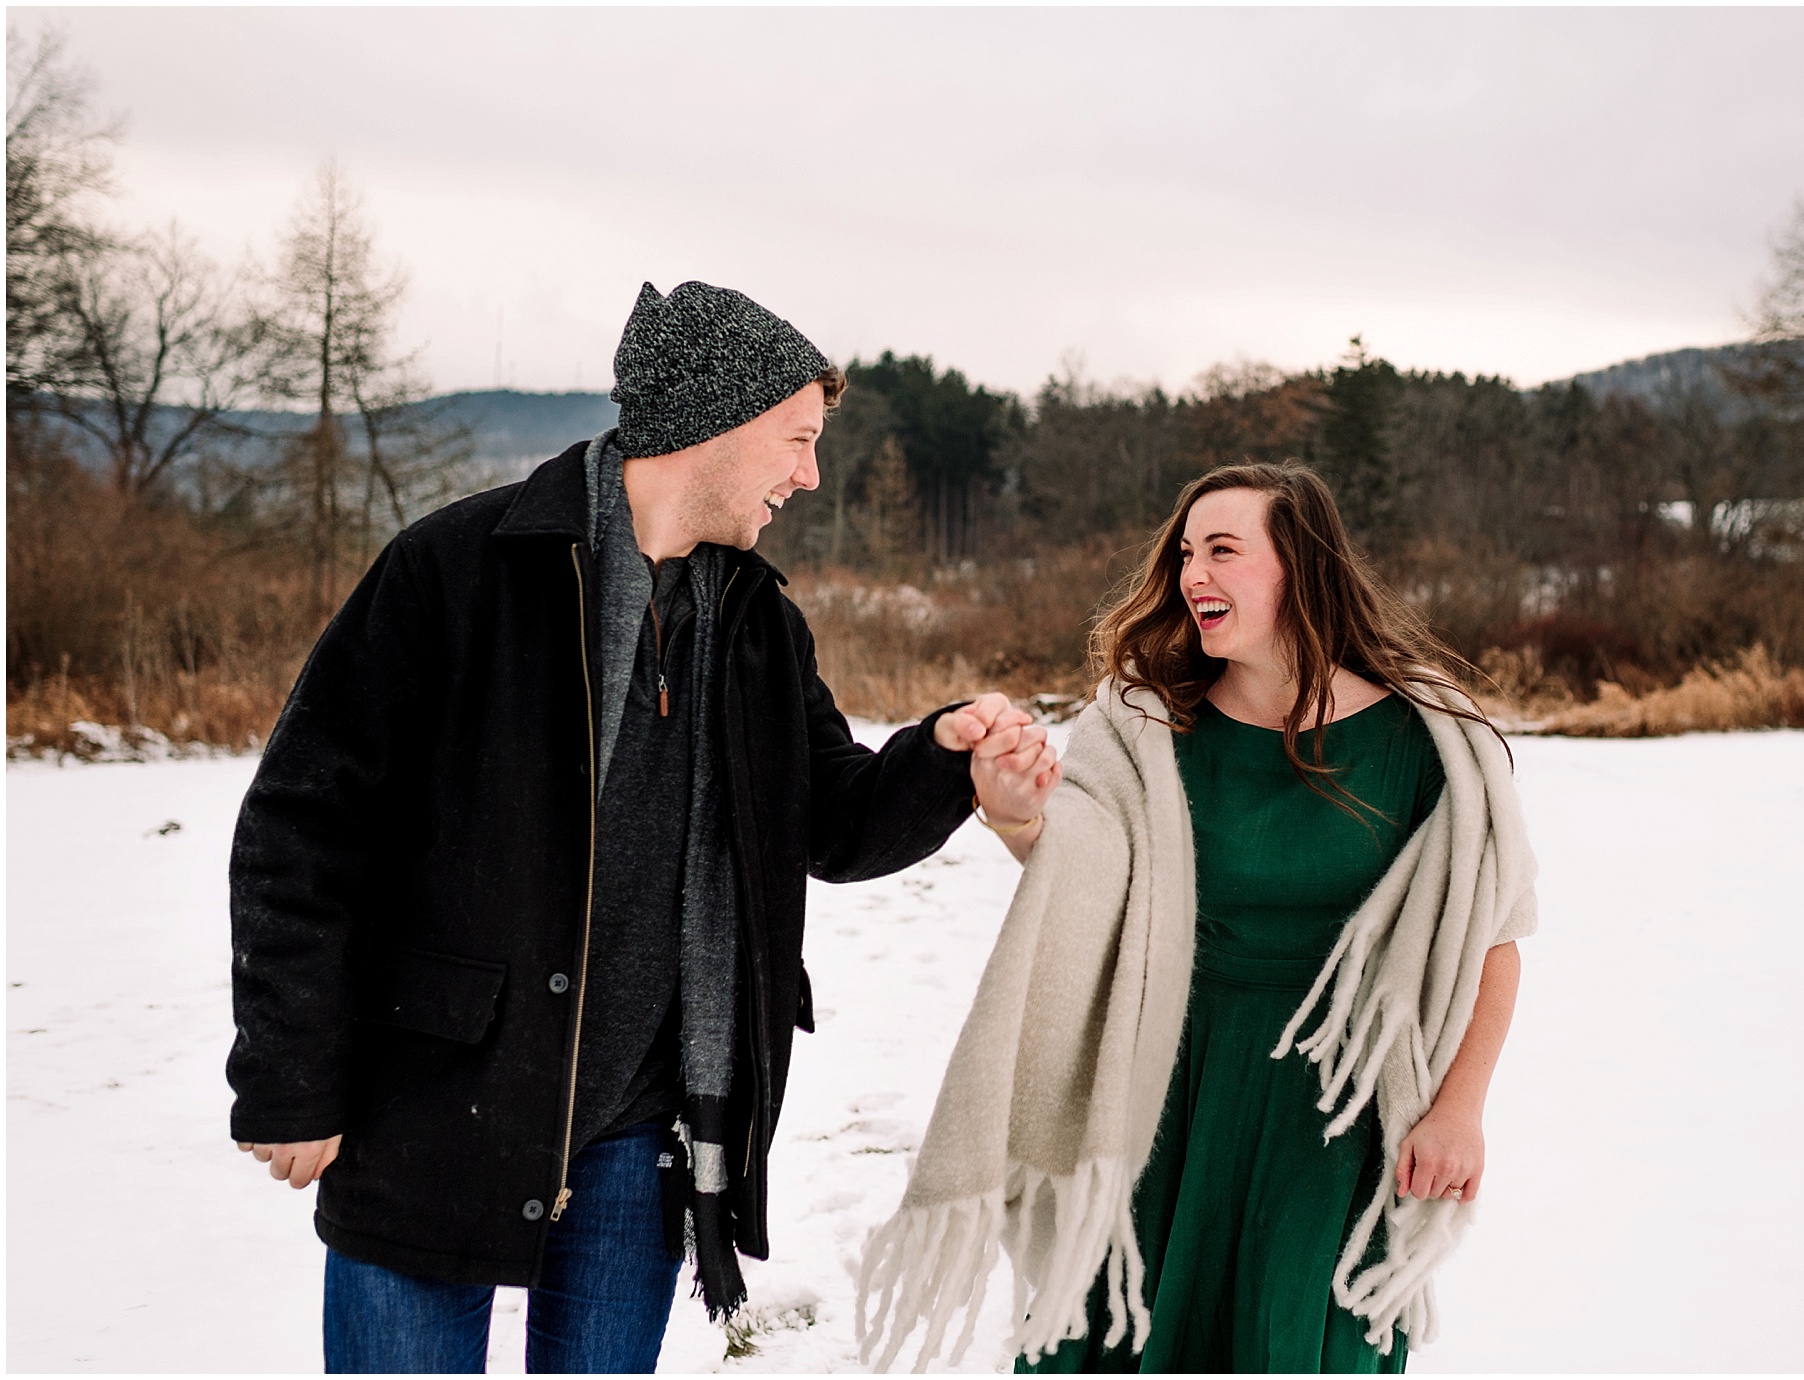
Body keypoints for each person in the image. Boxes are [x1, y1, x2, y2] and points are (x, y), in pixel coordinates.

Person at [226, 280, 1061, 1374]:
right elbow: (304, 827)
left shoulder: (757, 621)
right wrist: (292, 1077)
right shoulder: (461, 570)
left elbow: (832, 823)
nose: (808, 475)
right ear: (715, 423)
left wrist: (944, 755)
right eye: (796, 440)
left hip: (642, 1128)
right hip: (438, 1102)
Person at [855, 462, 1536, 1374]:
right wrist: (1016, 810)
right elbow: (1085, 871)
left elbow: (1492, 937)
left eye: (1223, 550)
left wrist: (1459, 1110)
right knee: (1124, 1335)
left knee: (1288, 1343)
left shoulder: (1430, 743)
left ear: (1303, 565)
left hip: (1334, 1114)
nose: (1191, 576)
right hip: (1159, 1087)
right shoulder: (1146, 723)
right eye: (1184, 553)